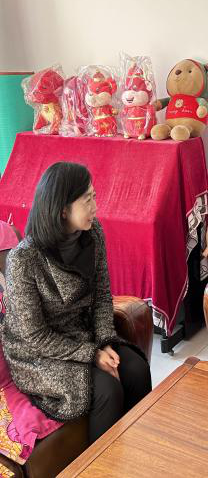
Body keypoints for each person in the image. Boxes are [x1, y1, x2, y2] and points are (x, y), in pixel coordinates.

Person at [0, 162, 151, 443]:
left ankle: (138, 451)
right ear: (62, 210)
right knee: (107, 390)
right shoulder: (24, 259)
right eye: (87, 200)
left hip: (81, 334)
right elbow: (35, 336)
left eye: (94, 196)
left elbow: (102, 296)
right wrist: (92, 354)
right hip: (37, 354)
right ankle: (102, 465)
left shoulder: (93, 234)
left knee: (135, 369)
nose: (96, 206)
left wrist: (105, 341)